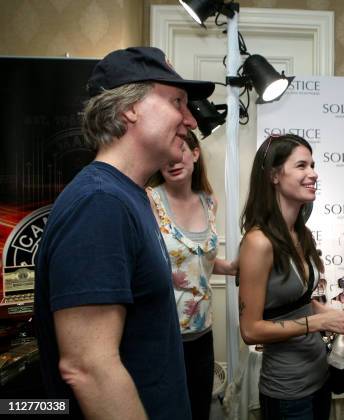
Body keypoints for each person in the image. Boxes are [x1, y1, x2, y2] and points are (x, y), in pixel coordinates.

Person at [34, 47, 215, 419]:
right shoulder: (100, 203)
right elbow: (88, 367)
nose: (190, 121)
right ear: (129, 109)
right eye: (177, 102)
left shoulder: (129, 196)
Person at [238, 134, 344, 419]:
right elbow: (250, 330)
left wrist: (335, 317)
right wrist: (318, 321)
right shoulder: (258, 242)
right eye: (302, 166)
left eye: (313, 165)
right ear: (274, 175)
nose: (313, 173)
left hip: (320, 378)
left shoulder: (300, 233)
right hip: (287, 391)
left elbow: (298, 302)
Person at [146, 130, 236, 420]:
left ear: (195, 154)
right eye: (166, 155)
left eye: (181, 151)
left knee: (198, 412)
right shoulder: (148, 200)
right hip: (161, 337)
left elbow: (199, 259)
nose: (174, 160)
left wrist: (232, 267)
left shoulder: (209, 202)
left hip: (202, 333)